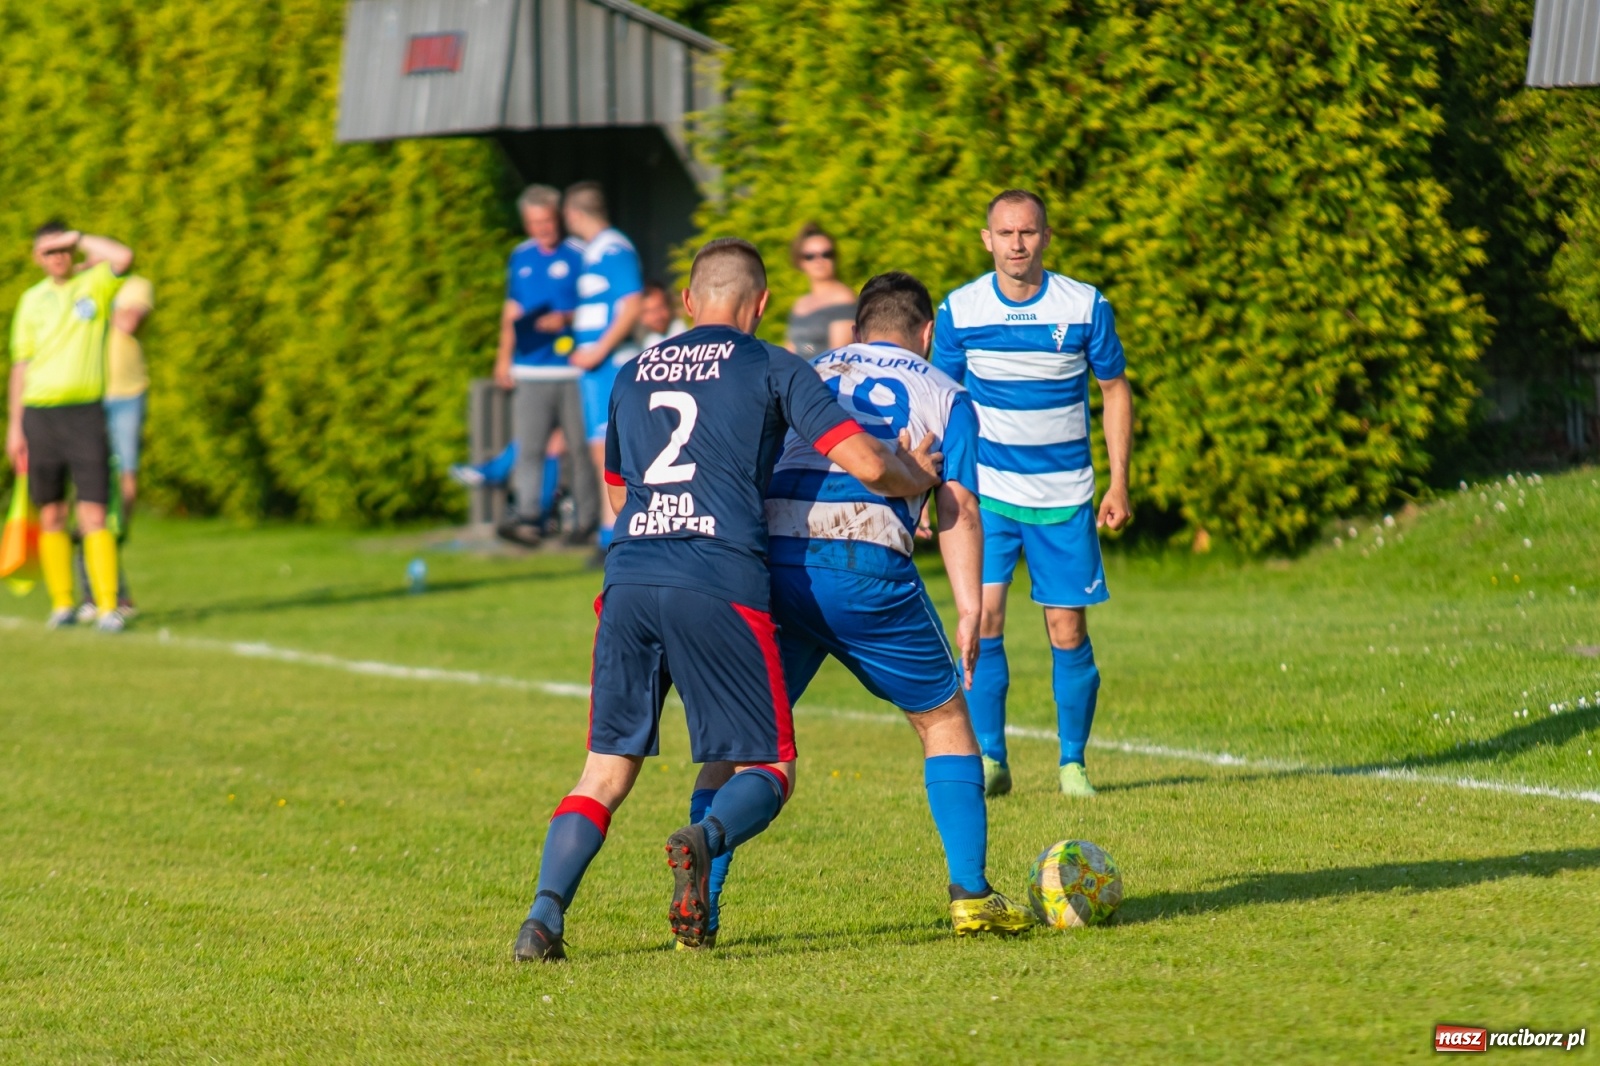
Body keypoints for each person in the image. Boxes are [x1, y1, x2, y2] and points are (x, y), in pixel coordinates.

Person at [512, 238, 943, 961]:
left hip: (629, 579)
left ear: (687, 301)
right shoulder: (775, 364)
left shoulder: (632, 370)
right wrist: (916, 473)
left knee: (604, 772)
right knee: (769, 768)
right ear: (763, 303)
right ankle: (704, 839)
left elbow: (618, 490)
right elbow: (867, 463)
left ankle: (542, 919)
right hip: (719, 583)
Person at [689, 271, 1034, 946]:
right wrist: (970, 608)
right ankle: (970, 893)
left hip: (772, 561)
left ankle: (703, 888)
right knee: (943, 720)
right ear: (927, 334)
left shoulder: (806, 368)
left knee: (743, 743)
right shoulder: (946, 393)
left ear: (853, 330)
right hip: (864, 559)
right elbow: (957, 508)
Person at [932, 189, 1134, 799]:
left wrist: (1119, 480)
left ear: (1045, 237)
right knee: (982, 619)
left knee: (1066, 629)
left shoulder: (1083, 305)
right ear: (986, 239)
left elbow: (1116, 390)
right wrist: (936, 486)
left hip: (1065, 496)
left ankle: (1072, 763)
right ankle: (992, 760)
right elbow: (940, 400)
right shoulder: (959, 310)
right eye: (1005, 233)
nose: (1016, 244)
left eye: (1028, 233)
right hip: (986, 497)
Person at [5, 221, 134, 631]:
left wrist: (77, 237)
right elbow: (20, 365)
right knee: (52, 512)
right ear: (36, 258)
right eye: (48, 251)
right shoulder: (31, 300)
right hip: (40, 416)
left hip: (85, 415)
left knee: (95, 512)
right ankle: (63, 603)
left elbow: (123, 258)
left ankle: (107, 604)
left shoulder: (93, 285)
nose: (57, 257)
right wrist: (15, 427)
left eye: (62, 249)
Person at [492, 184, 592, 548]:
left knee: (581, 449)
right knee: (529, 448)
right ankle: (530, 519)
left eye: (547, 221)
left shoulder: (580, 254)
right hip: (531, 369)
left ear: (558, 219)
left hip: (571, 369)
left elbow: (598, 306)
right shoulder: (520, 257)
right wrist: (503, 357)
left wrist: (565, 318)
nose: (542, 229)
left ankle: (586, 521)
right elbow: (512, 310)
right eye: (534, 223)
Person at [561, 181, 643, 566]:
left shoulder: (615, 248)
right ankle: (607, 532)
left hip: (609, 365)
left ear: (574, 213)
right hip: (593, 369)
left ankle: (617, 534)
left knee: (611, 448)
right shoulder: (593, 252)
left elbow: (630, 305)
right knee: (599, 449)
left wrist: (598, 349)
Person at [785, 223, 856, 357]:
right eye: (810, 256)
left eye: (826, 254)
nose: (819, 260)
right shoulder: (800, 303)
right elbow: (790, 351)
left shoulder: (843, 299)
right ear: (800, 261)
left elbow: (837, 356)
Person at [635, 280, 686, 349]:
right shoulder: (630, 353)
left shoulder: (682, 327)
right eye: (650, 311)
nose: (657, 316)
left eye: (660, 307)